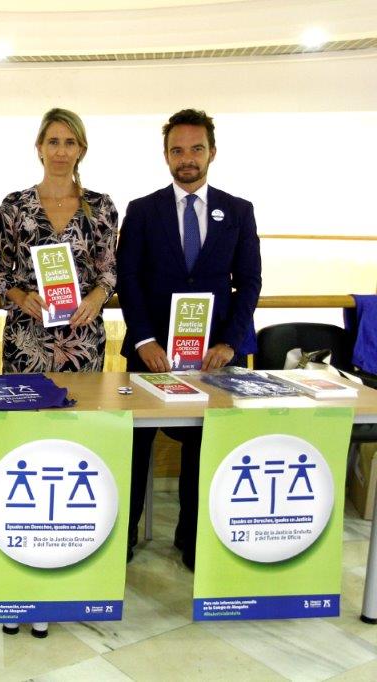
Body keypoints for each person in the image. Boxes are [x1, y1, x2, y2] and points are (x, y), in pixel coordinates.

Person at [116, 108, 262, 569]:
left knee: (206, 449)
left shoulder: (238, 212)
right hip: (150, 353)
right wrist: (144, 340)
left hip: (214, 358)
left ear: (212, 152)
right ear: (166, 155)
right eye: (177, 150)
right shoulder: (142, 210)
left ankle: (194, 539)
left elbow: (249, 282)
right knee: (134, 447)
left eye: (196, 149)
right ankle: (122, 538)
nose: (187, 159)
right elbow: (128, 279)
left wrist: (231, 344)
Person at [0, 108, 118, 373]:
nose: (61, 152)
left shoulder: (100, 206)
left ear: (81, 150)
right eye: (53, 142)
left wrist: (96, 298)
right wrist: (22, 298)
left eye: (70, 143)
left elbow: (109, 270)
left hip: (83, 339)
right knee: (24, 401)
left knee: (83, 402)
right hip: (26, 338)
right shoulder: (15, 206)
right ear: (40, 148)